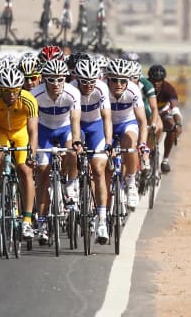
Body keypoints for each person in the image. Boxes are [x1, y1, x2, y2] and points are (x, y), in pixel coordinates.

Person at [0, 67, 39, 239]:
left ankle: (27, 220)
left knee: (25, 170)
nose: (11, 95)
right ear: (1, 89)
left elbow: (33, 131)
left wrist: (31, 154)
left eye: (15, 91)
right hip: (1, 131)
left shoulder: (29, 100)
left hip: (20, 133)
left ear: (20, 89)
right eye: (7, 91)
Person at [32, 58, 81, 244]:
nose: (56, 84)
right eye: (51, 79)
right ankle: (43, 222)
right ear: (44, 79)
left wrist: (76, 141)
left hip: (65, 129)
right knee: (42, 176)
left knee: (73, 152)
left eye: (60, 79)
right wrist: (33, 149)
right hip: (43, 130)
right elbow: (33, 127)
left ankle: (70, 185)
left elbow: (75, 121)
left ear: (65, 78)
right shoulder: (35, 94)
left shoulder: (72, 92)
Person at [71, 58, 114, 244]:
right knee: (72, 156)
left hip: (96, 127)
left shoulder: (102, 88)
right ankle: (72, 189)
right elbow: (72, 121)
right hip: (78, 125)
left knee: (98, 170)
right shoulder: (71, 89)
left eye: (91, 81)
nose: (88, 85)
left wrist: (109, 142)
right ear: (77, 79)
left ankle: (102, 221)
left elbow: (107, 118)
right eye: (84, 82)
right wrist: (76, 141)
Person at [105, 58, 148, 210]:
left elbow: (142, 121)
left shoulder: (133, 90)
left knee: (130, 143)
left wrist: (143, 144)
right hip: (106, 123)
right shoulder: (102, 90)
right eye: (114, 80)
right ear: (107, 78)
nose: (118, 84)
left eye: (123, 81)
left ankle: (130, 182)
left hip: (127, 123)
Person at [148, 64, 181, 173]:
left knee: (172, 126)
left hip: (163, 113)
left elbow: (175, 108)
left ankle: (165, 160)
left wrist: (178, 124)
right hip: (149, 114)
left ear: (163, 80)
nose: (156, 83)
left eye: (159, 81)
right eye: (153, 80)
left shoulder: (168, 88)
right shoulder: (144, 86)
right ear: (149, 79)